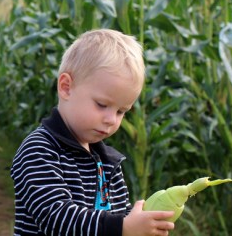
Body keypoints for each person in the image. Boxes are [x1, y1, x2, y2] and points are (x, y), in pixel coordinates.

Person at [10, 29, 175, 235]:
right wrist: (122, 228)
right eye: (102, 105)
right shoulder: (39, 150)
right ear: (66, 87)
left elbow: (118, 217)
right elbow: (56, 219)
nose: (111, 119)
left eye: (121, 111)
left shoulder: (108, 162)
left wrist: (136, 226)